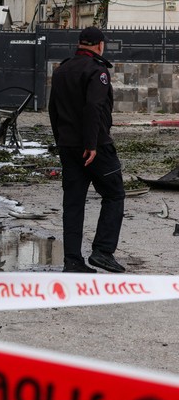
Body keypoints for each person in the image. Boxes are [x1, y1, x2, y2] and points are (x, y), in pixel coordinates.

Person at [48, 26, 125, 274]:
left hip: (68, 146)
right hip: (96, 147)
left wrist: (61, 140)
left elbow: (53, 110)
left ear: (80, 44)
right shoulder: (97, 71)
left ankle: (72, 260)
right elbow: (93, 107)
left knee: (73, 202)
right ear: (100, 45)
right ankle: (102, 251)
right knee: (114, 194)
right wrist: (91, 144)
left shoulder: (62, 70)